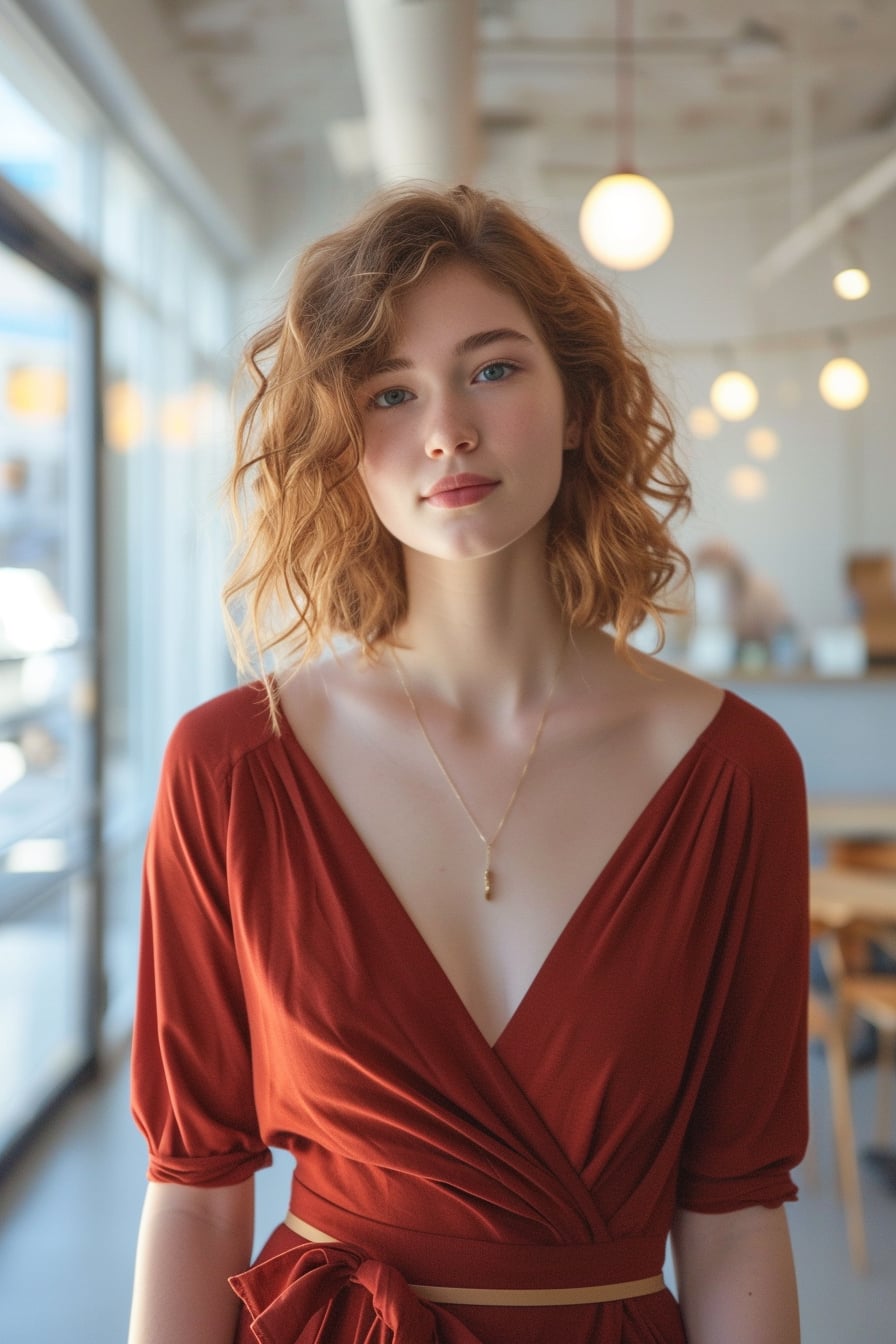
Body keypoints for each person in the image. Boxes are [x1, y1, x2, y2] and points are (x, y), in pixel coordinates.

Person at [128, 184, 808, 1344]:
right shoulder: (233, 763)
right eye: (390, 393)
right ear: (342, 451)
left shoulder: (731, 770)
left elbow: (735, 1210)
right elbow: (196, 1194)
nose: (446, 429)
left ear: (578, 404)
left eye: (493, 370)